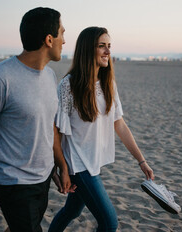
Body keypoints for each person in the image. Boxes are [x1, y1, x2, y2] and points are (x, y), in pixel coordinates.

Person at [0, 7, 73, 232]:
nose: (65, 40)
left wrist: (60, 164)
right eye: (62, 33)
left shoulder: (50, 76)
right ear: (49, 39)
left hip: (43, 178)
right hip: (14, 182)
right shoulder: (1, 78)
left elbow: (48, 125)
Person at [49, 27, 155, 232]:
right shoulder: (68, 86)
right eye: (101, 46)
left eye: (109, 46)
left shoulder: (108, 84)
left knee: (71, 212)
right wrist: (60, 168)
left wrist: (141, 160)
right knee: (109, 222)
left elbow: (120, 125)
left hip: (92, 162)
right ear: (88, 50)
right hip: (78, 165)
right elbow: (57, 131)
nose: (107, 52)